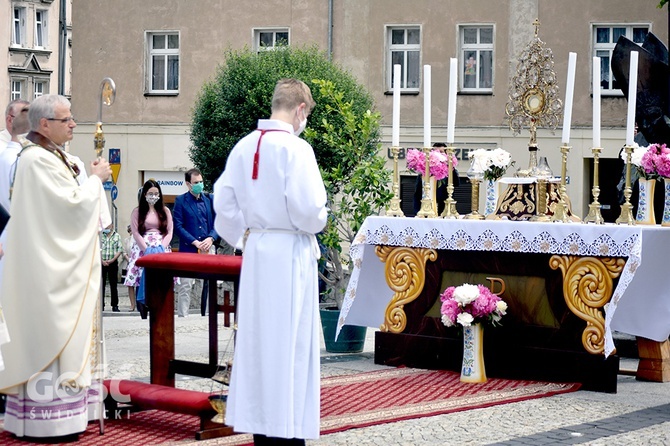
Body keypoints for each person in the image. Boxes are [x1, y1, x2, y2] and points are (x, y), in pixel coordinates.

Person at [213, 78, 328, 445]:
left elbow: (224, 203)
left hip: (259, 253)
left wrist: (246, 235)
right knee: (289, 345)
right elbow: (310, 211)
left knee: (260, 343)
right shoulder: (297, 150)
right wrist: (313, 222)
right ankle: (288, 431)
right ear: (299, 110)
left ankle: (262, 427)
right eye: (305, 114)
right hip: (290, 254)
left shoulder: (244, 146)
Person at [0, 94, 112, 441]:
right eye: (67, 119)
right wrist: (97, 180)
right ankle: (48, 423)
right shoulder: (36, 161)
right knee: (50, 334)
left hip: (47, 264)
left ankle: (63, 418)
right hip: (47, 273)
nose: (74, 124)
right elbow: (71, 209)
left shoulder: (51, 157)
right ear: (45, 124)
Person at [124, 179, 173, 319]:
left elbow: (169, 232)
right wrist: (146, 249)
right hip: (142, 248)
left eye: (156, 193)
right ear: (145, 194)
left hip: (161, 247)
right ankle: (142, 305)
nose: (153, 196)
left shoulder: (165, 211)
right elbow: (135, 232)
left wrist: (161, 247)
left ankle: (160, 304)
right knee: (140, 275)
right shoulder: (137, 212)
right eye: (150, 193)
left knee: (161, 277)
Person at [173, 168, 218, 317]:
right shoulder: (180, 201)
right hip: (189, 248)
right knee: (186, 285)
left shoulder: (209, 199)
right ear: (188, 184)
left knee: (210, 283)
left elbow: (218, 223)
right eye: (196, 182)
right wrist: (194, 242)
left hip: (208, 246)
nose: (199, 184)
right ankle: (182, 317)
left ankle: (208, 315)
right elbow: (178, 226)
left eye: (201, 181)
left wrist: (211, 238)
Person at [413, 142, 460, 216]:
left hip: (444, 209)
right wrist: (417, 211)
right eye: (435, 152)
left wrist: (450, 167)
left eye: (441, 152)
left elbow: (456, 183)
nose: (438, 155)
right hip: (427, 209)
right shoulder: (425, 170)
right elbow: (418, 193)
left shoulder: (450, 169)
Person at [101, 223, 123, 312]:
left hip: (112, 263)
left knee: (113, 285)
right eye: (105, 225)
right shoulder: (100, 236)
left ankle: (115, 305)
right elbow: (97, 248)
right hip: (102, 262)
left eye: (108, 225)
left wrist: (113, 260)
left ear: (112, 226)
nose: (107, 227)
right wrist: (102, 260)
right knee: (101, 285)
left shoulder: (117, 236)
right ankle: (101, 305)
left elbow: (120, 249)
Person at [123, 224, 137, 311]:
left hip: (138, 264)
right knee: (130, 285)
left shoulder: (139, 239)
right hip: (129, 264)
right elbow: (124, 251)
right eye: (129, 231)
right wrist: (129, 259)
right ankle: (132, 305)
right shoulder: (126, 240)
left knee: (139, 285)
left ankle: (140, 304)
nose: (131, 232)